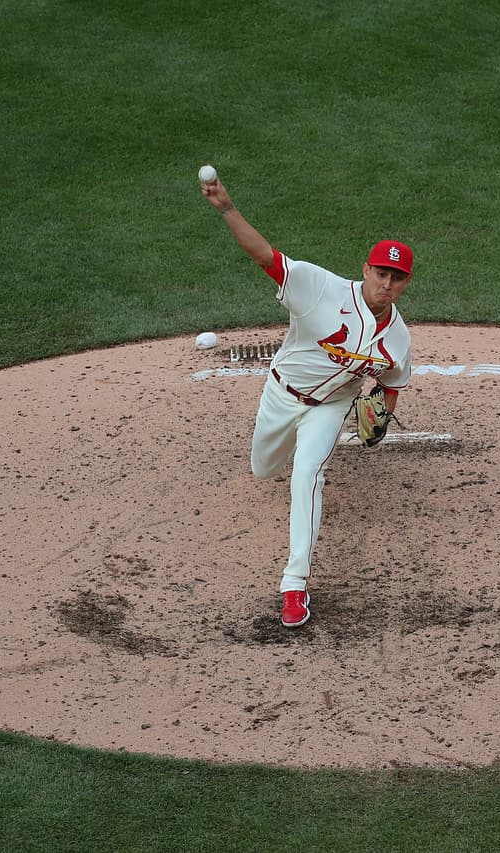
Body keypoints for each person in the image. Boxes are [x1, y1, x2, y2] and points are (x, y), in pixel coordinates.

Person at [200, 170, 414, 628]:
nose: (387, 284)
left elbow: (391, 383)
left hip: (332, 407)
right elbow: (265, 257)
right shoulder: (319, 288)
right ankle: (283, 453)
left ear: (405, 283)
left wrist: (383, 415)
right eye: (381, 273)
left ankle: (294, 585)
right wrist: (228, 209)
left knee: (307, 477)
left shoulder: (398, 338)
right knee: (264, 468)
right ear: (366, 270)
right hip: (281, 394)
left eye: (397, 278)